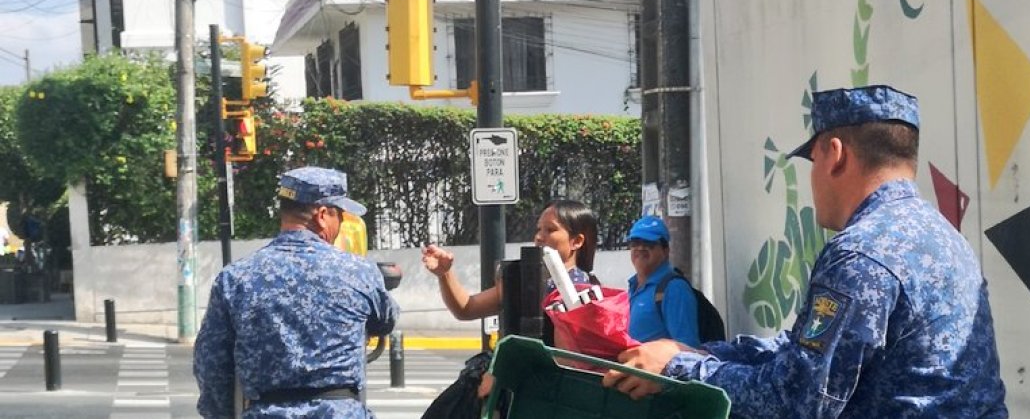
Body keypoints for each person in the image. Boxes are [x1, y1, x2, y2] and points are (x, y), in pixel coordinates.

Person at [603, 85, 1007, 418]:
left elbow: (797, 398)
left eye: (811, 160)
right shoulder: (944, 237)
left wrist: (677, 368)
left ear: (834, 153)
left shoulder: (862, 254)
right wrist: (694, 352)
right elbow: (803, 348)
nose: (813, 177)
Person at [194, 167, 398, 419]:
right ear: (323, 215)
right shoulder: (359, 272)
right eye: (341, 217)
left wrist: (223, 415)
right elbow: (386, 320)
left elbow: (211, 362)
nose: (342, 225)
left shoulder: (236, 278)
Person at [420, 199, 598, 320]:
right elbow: (466, 309)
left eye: (550, 230)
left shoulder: (590, 290)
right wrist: (445, 274)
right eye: (539, 229)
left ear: (577, 241)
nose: (539, 237)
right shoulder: (520, 279)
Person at [625, 215, 700, 347]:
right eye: (635, 243)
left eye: (649, 243)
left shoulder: (675, 289)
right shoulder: (633, 286)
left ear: (665, 251)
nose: (640, 248)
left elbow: (688, 349)